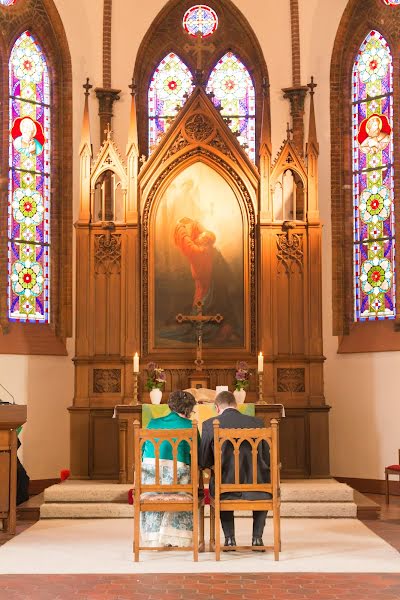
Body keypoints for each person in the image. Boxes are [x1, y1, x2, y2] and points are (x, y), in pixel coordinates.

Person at [199, 390, 271, 550]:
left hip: (224, 489)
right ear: (236, 405)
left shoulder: (209, 424)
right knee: (263, 478)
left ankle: (230, 539)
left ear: (217, 408)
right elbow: (267, 458)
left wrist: (212, 466)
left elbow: (203, 461)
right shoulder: (257, 423)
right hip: (258, 488)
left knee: (220, 480)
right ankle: (257, 539)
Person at [140, 390, 198, 548]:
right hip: (178, 483)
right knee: (186, 478)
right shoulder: (189, 426)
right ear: (188, 409)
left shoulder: (152, 423)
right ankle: (175, 537)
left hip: (150, 481)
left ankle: (153, 538)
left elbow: (141, 452)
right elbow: (197, 456)